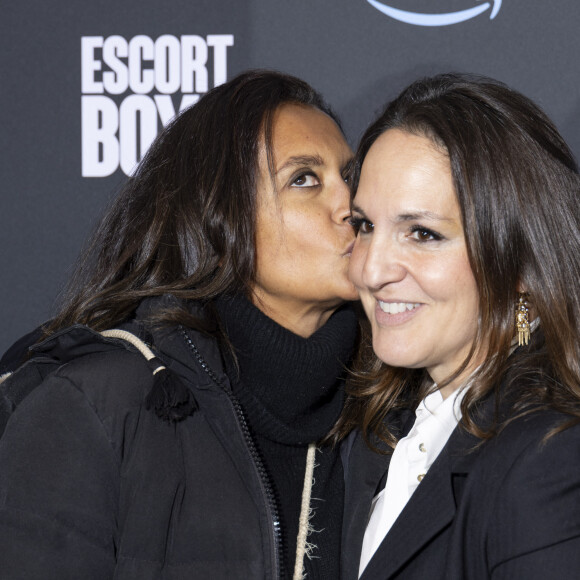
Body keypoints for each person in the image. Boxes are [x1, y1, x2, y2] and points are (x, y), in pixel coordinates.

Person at [0, 70, 360, 579]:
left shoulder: (393, 410)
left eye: (350, 177)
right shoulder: (96, 403)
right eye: (304, 179)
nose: (350, 206)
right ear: (217, 213)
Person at [335, 73, 580, 579]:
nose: (372, 270)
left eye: (422, 233)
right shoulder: (377, 433)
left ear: (520, 267)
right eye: (365, 226)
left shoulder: (549, 457)